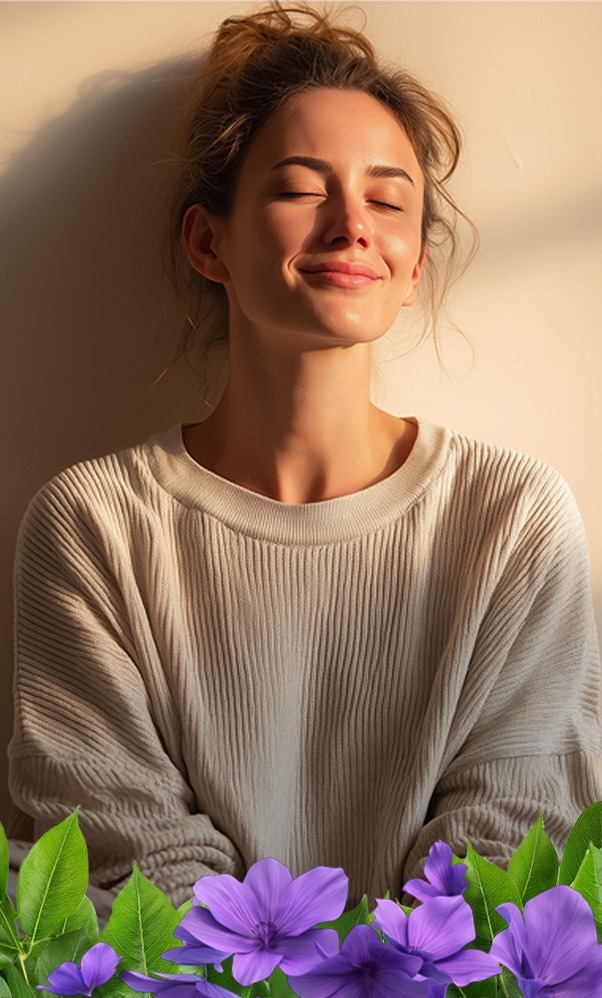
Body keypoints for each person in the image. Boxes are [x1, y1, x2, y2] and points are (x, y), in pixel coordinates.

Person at [8, 2, 601, 910]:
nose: (352, 224)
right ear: (209, 241)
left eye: (388, 200)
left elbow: (513, 865)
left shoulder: (514, 519)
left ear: (415, 268)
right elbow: (125, 875)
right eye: (300, 188)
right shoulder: (94, 526)